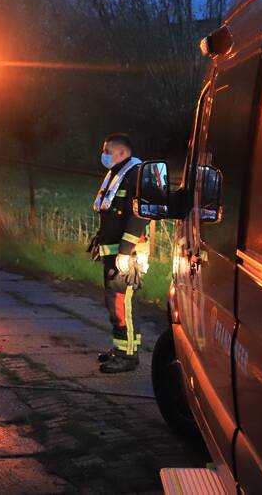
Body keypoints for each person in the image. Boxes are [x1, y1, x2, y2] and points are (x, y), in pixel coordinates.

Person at [89, 133, 150, 374]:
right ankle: (122, 350)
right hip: (114, 253)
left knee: (120, 304)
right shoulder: (118, 172)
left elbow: (138, 216)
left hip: (127, 255)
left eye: (107, 151)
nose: (103, 155)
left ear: (122, 153)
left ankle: (127, 358)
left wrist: (125, 252)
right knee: (116, 304)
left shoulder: (134, 175)